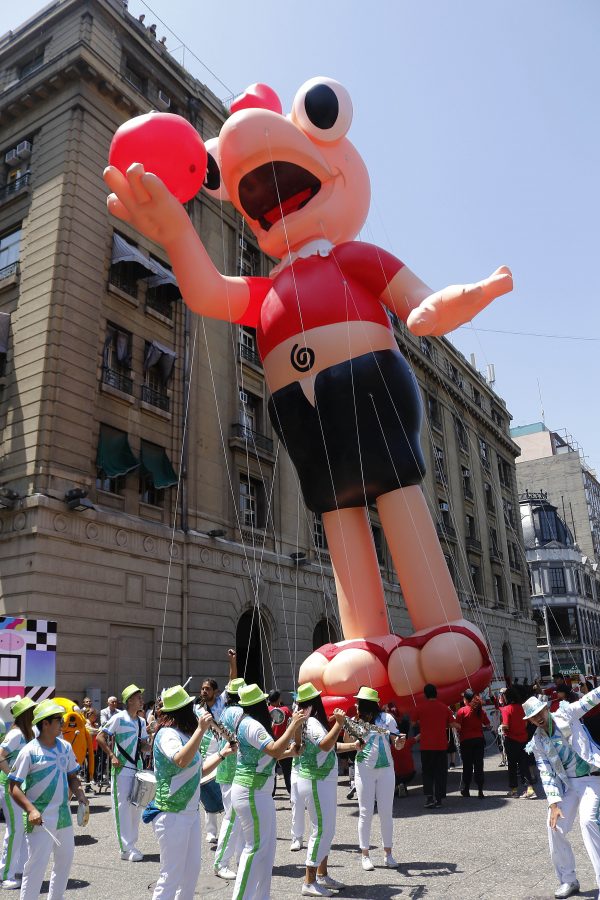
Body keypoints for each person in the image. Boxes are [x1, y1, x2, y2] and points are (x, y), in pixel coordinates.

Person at [151, 684, 235, 900]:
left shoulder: (184, 734)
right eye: (190, 707)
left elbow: (198, 771)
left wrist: (223, 754)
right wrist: (201, 729)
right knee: (170, 876)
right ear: (182, 711)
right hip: (171, 813)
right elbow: (180, 760)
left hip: (188, 813)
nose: (195, 709)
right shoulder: (168, 734)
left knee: (191, 873)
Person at [523, 687, 600, 899]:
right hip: (567, 785)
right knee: (554, 826)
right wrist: (554, 805)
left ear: (546, 709)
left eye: (539, 713)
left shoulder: (565, 714)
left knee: (589, 821)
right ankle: (568, 880)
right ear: (529, 720)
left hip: (591, 779)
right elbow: (546, 773)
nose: (538, 718)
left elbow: (588, 700)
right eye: (532, 717)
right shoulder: (537, 742)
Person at [8, 699, 89, 899]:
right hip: (40, 819)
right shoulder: (29, 751)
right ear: (45, 724)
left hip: (63, 816)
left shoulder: (65, 748)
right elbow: (14, 787)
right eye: (58, 720)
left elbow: (72, 776)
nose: (62, 723)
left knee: (64, 863)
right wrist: (31, 810)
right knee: (35, 868)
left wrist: (80, 794)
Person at [231, 683, 304, 900]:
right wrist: (293, 725)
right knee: (255, 851)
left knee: (267, 850)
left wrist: (290, 753)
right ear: (259, 704)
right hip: (252, 792)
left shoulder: (248, 723)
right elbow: (273, 750)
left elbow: (267, 756)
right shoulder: (252, 726)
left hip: (256, 791)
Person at [294, 682, 348, 896]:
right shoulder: (313, 721)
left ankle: (322, 875)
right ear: (316, 701)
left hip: (318, 779)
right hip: (317, 781)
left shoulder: (304, 720)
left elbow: (327, 746)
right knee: (322, 830)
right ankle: (309, 881)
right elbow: (325, 745)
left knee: (326, 829)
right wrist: (340, 724)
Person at [96, 683, 151, 861]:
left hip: (137, 769)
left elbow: (142, 745)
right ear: (129, 701)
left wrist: (151, 744)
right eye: (138, 697)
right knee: (122, 807)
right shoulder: (119, 718)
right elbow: (100, 736)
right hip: (121, 770)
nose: (142, 700)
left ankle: (132, 844)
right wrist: (111, 755)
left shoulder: (142, 722)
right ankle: (125, 848)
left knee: (136, 807)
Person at [351, 686, 403, 871]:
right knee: (365, 812)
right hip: (364, 769)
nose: (355, 704)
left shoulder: (387, 719)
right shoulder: (356, 722)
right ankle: (365, 854)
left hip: (386, 769)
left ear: (367, 705)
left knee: (386, 812)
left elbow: (397, 742)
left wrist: (398, 742)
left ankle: (388, 853)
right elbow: (349, 742)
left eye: (359, 702)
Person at [197, 648, 238, 844]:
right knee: (206, 790)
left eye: (207, 689)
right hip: (205, 752)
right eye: (202, 689)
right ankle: (211, 830)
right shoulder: (197, 709)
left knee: (225, 788)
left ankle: (228, 825)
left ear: (216, 692)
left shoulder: (222, 702)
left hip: (223, 750)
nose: (204, 691)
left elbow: (233, 680)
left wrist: (232, 661)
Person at [0, 697, 36, 889]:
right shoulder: (15, 734)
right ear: (25, 715)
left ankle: (17, 869)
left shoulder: (27, 733)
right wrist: (14, 776)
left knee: (21, 830)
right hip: (9, 787)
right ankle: (5, 874)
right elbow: (0, 756)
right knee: (15, 830)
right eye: (33, 711)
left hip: (19, 788)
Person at [214, 677, 246, 881]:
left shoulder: (224, 711)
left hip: (227, 770)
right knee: (232, 818)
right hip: (234, 771)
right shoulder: (237, 712)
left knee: (238, 818)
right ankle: (221, 862)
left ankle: (240, 858)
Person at [416, 683, 458, 808]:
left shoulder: (420, 707)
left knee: (427, 772)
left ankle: (429, 798)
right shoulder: (444, 707)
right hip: (441, 745)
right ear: (436, 693)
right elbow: (451, 723)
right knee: (440, 772)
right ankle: (439, 799)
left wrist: (423, 722)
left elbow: (413, 722)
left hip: (426, 745)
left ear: (425, 694)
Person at [499, 687, 536, 799]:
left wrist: (501, 727)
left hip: (511, 740)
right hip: (523, 739)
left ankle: (514, 790)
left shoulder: (506, 709)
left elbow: (506, 725)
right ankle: (530, 789)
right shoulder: (522, 708)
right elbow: (526, 724)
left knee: (512, 766)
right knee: (524, 764)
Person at [456, 689, 489, 799]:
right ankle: (480, 791)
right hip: (479, 740)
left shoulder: (462, 711)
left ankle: (466, 789)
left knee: (467, 765)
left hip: (466, 741)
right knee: (479, 765)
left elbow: (458, 727)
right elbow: (488, 724)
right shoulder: (480, 710)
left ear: (466, 699)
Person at [268, 689, 293, 796]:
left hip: (270, 744)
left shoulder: (266, 710)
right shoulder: (286, 710)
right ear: (279, 699)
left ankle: (271, 794)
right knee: (288, 772)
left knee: (271, 771)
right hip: (284, 744)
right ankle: (292, 793)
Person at [390, 717, 419, 797]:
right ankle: (402, 785)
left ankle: (398, 786)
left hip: (396, 773)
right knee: (410, 772)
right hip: (409, 773)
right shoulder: (408, 742)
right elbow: (417, 737)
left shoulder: (390, 747)